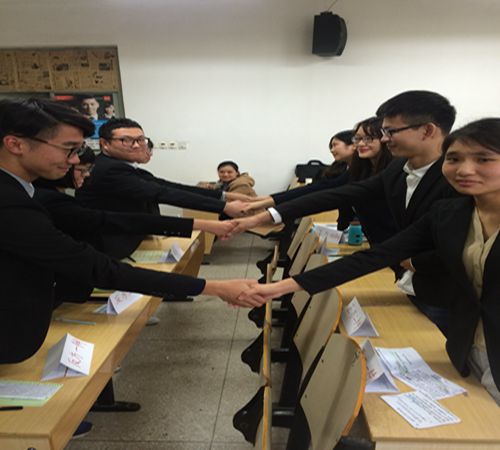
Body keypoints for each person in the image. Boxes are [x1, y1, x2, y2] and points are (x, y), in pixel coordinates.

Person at [239, 117, 500, 405]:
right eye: (454, 159)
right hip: (469, 346)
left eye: (483, 159)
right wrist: (280, 287)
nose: (464, 169)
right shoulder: (449, 213)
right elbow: (377, 256)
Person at [0, 98, 260, 364]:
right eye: (69, 149)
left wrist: (223, 202)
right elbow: (98, 258)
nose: (76, 160)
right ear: (16, 144)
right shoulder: (11, 203)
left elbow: (162, 190)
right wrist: (213, 287)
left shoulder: (26, 191)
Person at [229, 90, 460, 334]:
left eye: (391, 132)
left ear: (427, 130)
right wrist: (263, 217)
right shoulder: (398, 169)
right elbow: (340, 194)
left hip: (444, 293)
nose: (384, 139)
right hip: (408, 279)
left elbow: (448, 251)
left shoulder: (456, 184)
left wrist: (410, 260)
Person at [76, 118, 248, 258]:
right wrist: (224, 207)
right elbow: (163, 193)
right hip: (110, 245)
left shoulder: (122, 166)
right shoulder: (109, 169)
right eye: (126, 140)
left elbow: (167, 186)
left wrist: (224, 197)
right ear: (105, 143)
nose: (136, 145)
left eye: (140, 140)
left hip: (132, 236)